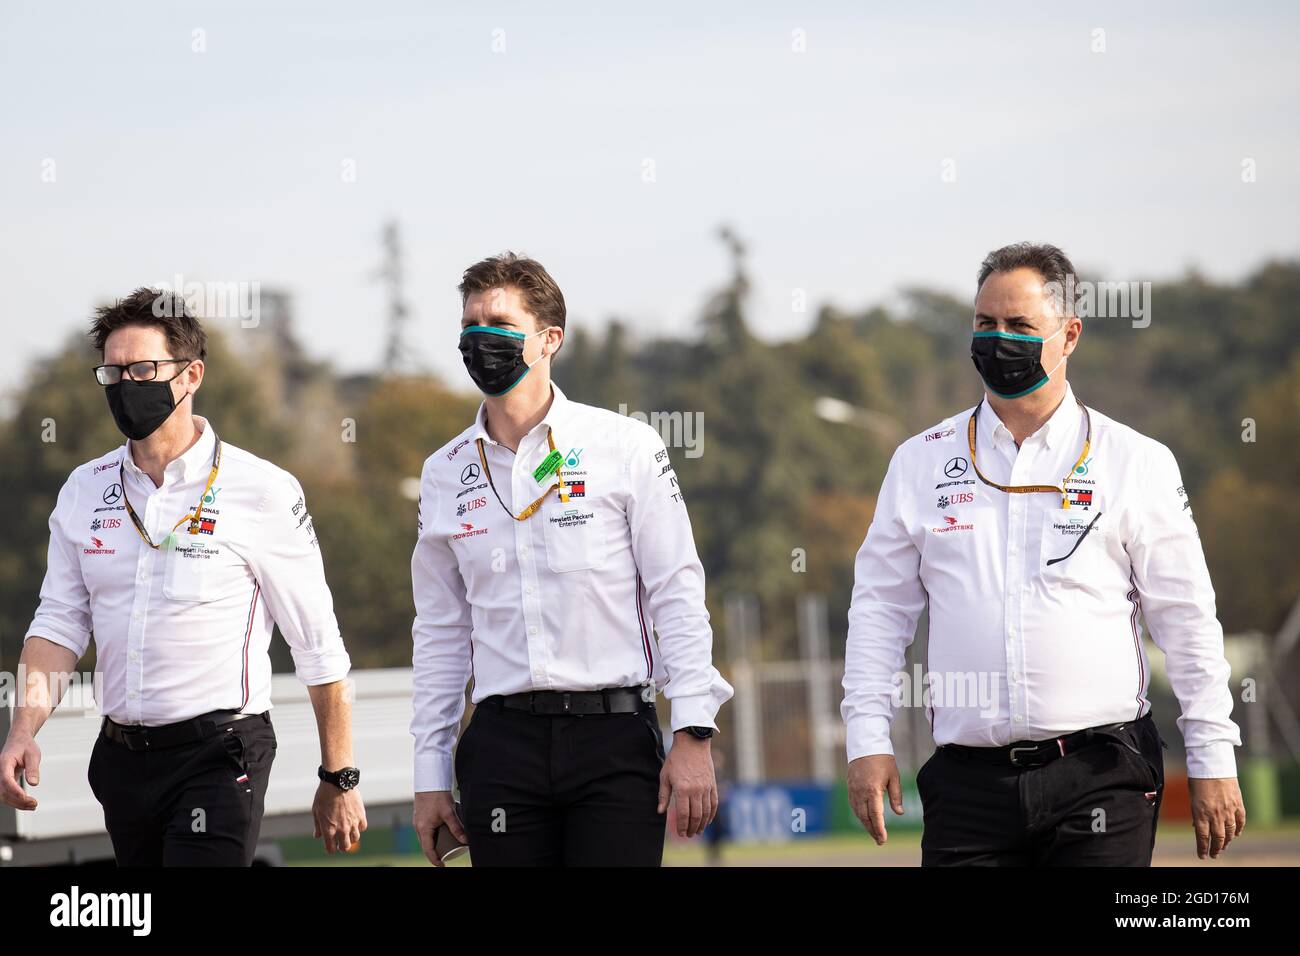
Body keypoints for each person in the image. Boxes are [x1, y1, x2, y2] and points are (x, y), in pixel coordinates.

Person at [841, 243, 1245, 865]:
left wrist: (1213, 757)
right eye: (985, 324)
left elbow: (1187, 620)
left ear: (1069, 335)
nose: (999, 340)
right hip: (968, 786)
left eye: (1021, 327)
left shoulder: (1134, 461)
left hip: (1101, 774)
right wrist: (866, 738)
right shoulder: (919, 461)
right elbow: (878, 614)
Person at [0, 288, 366, 865]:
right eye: (113, 372)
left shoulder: (263, 490)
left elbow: (317, 644)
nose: (126, 385)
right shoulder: (82, 489)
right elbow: (59, 626)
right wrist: (23, 730)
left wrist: (339, 776)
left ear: (191, 375)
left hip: (220, 756)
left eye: (143, 369)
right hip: (121, 759)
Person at [410, 253, 733, 866]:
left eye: (499, 324)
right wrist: (429, 773)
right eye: (470, 327)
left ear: (549, 339)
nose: (481, 341)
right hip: (502, 745)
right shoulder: (443, 471)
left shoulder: (625, 445)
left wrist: (692, 731)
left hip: (612, 741)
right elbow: (440, 632)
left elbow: (677, 589)